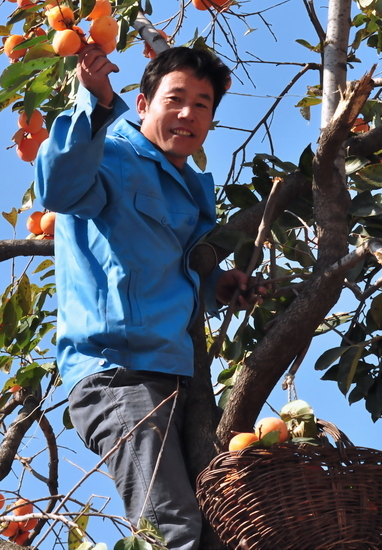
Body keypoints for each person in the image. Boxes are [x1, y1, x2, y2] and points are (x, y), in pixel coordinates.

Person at [35, 43, 252, 550]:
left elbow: (168, 268)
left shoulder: (192, 186)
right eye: (175, 98)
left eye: (202, 104)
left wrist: (217, 285)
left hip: (176, 377)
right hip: (118, 376)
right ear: (142, 104)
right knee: (170, 530)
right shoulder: (110, 155)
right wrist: (92, 102)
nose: (187, 113)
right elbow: (59, 189)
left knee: (221, 534)